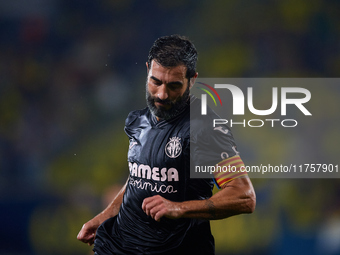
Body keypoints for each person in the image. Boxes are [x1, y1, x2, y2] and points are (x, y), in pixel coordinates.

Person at [77, 35, 256, 255]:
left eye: (174, 85)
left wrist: (179, 208)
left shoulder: (204, 128)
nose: (162, 94)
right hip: (118, 246)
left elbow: (244, 196)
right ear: (147, 71)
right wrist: (104, 217)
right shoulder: (138, 121)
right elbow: (139, 179)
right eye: (156, 81)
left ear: (192, 80)